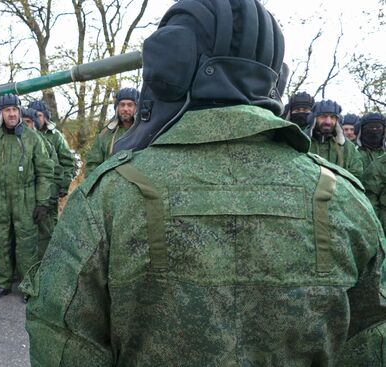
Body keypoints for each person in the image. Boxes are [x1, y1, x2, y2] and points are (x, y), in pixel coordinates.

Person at [23, 0, 386, 365]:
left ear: (169, 68)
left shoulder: (109, 198)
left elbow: (62, 342)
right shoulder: (344, 201)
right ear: (275, 75)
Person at [0, 94, 53, 300]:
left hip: (25, 196)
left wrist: (42, 202)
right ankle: (3, 283)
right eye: (6, 110)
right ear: (0, 113)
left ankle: (28, 286)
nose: (11, 114)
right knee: (0, 241)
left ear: (20, 111)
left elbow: (45, 172)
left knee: (27, 243)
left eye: (14, 109)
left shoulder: (32, 138)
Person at [22, 107, 60, 258]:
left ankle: (46, 264)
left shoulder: (44, 143)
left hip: (43, 197)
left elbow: (54, 170)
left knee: (45, 234)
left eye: (29, 122)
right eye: (23, 122)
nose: (26, 126)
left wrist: (51, 196)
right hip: (23, 199)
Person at [28, 100, 74, 222]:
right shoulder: (25, 135)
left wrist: (63, 186)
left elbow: (68, 162)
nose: (36, 119)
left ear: (45, 116)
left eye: (39, 115)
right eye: (33, 116)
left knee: (48, 225)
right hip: (30, 191)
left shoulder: (55, 136)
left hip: (51, 189)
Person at [84, 87, 139, 177]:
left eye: (130, 105)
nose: (125, 109)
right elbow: (93, 165)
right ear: (117, 107)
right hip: (109, 186)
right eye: (122, 105)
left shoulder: (146, 133)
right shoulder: (105, 134)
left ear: (136, 107)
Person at [307, 100, 363, 177]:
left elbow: (356, 176)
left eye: (333, 117)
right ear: (314, 119)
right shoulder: (301, 143)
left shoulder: (348, 148)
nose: (328, 122)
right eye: (323, 116)